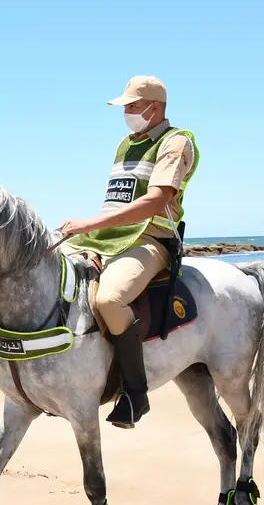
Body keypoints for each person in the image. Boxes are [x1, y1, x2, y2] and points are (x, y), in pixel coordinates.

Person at [58, 75, 200, 428]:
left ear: (156, 107)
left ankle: (135, 395)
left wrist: (89, 225)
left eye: (133, 106)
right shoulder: (125, 144)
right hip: (107, 239)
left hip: (150, 239)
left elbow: (155, 201)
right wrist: (88, 235)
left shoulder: (175, 142)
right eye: (126, 108)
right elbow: (116, 203)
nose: (128, 113)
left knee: (110, 300)